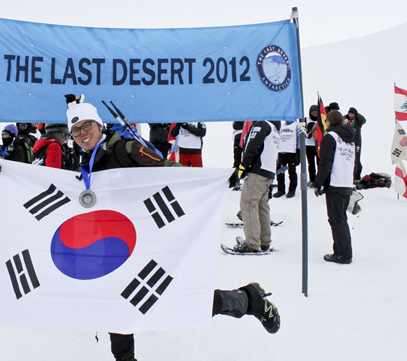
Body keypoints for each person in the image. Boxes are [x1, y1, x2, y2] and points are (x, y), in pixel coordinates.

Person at [66, 101, 280, 361]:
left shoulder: (126, 148)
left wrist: (211, 181)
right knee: (115, 305)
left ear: (99, 124)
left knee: (173, 300)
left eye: (86, 125)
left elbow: (167, 169)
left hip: (146, 240)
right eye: (75, 131)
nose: (82, 134)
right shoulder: (85, 163)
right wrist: (7, 172)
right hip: (112, 247)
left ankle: (247, 300)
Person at [229, 121, 281, 253]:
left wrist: (243, 166)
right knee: (261, 206)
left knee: (248, 204)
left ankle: (252, 243)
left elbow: (253, 146)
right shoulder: (274, 127)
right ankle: (264, 241)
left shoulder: (261, 125)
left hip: (258, 171)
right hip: (268, 171)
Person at [313, 110, 356, 264]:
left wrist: (318, 183)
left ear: (329, 121)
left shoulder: (330, 137)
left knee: (337, 220)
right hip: (346, 183)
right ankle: (343, 251)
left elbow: (325, 163)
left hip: (335, 183)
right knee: (341, 219)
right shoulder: (349, 139)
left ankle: (343, 254)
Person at [272, 121, 299, 198]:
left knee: (292, 172)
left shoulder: (296, 125)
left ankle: (292, 190)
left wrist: (298, 153)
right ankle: (281, 190)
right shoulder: (282, 126)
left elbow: (299, 139)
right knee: (280, 171)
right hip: (282, 152)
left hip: (292, 152)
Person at [344, 107, 366, 182]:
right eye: (349, 113)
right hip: (348, 142)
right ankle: (350, 175)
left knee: (356, 159)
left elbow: (363, 120)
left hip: (357, 142)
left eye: (352, 114)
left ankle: (357, 176)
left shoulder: (358, 121)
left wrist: (357, 115)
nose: (351, 115)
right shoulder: (347, 121)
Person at [305, 105, 319, 187]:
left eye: (316, 112)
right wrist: (308, 132)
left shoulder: (321, 119)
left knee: (319, 162)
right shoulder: (305, 119)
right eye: (313, 112)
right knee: (311, 163)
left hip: (318, 144)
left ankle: (319, 179)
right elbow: (301, 130)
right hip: (309, 144)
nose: (314, 114)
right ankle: (312, 179)